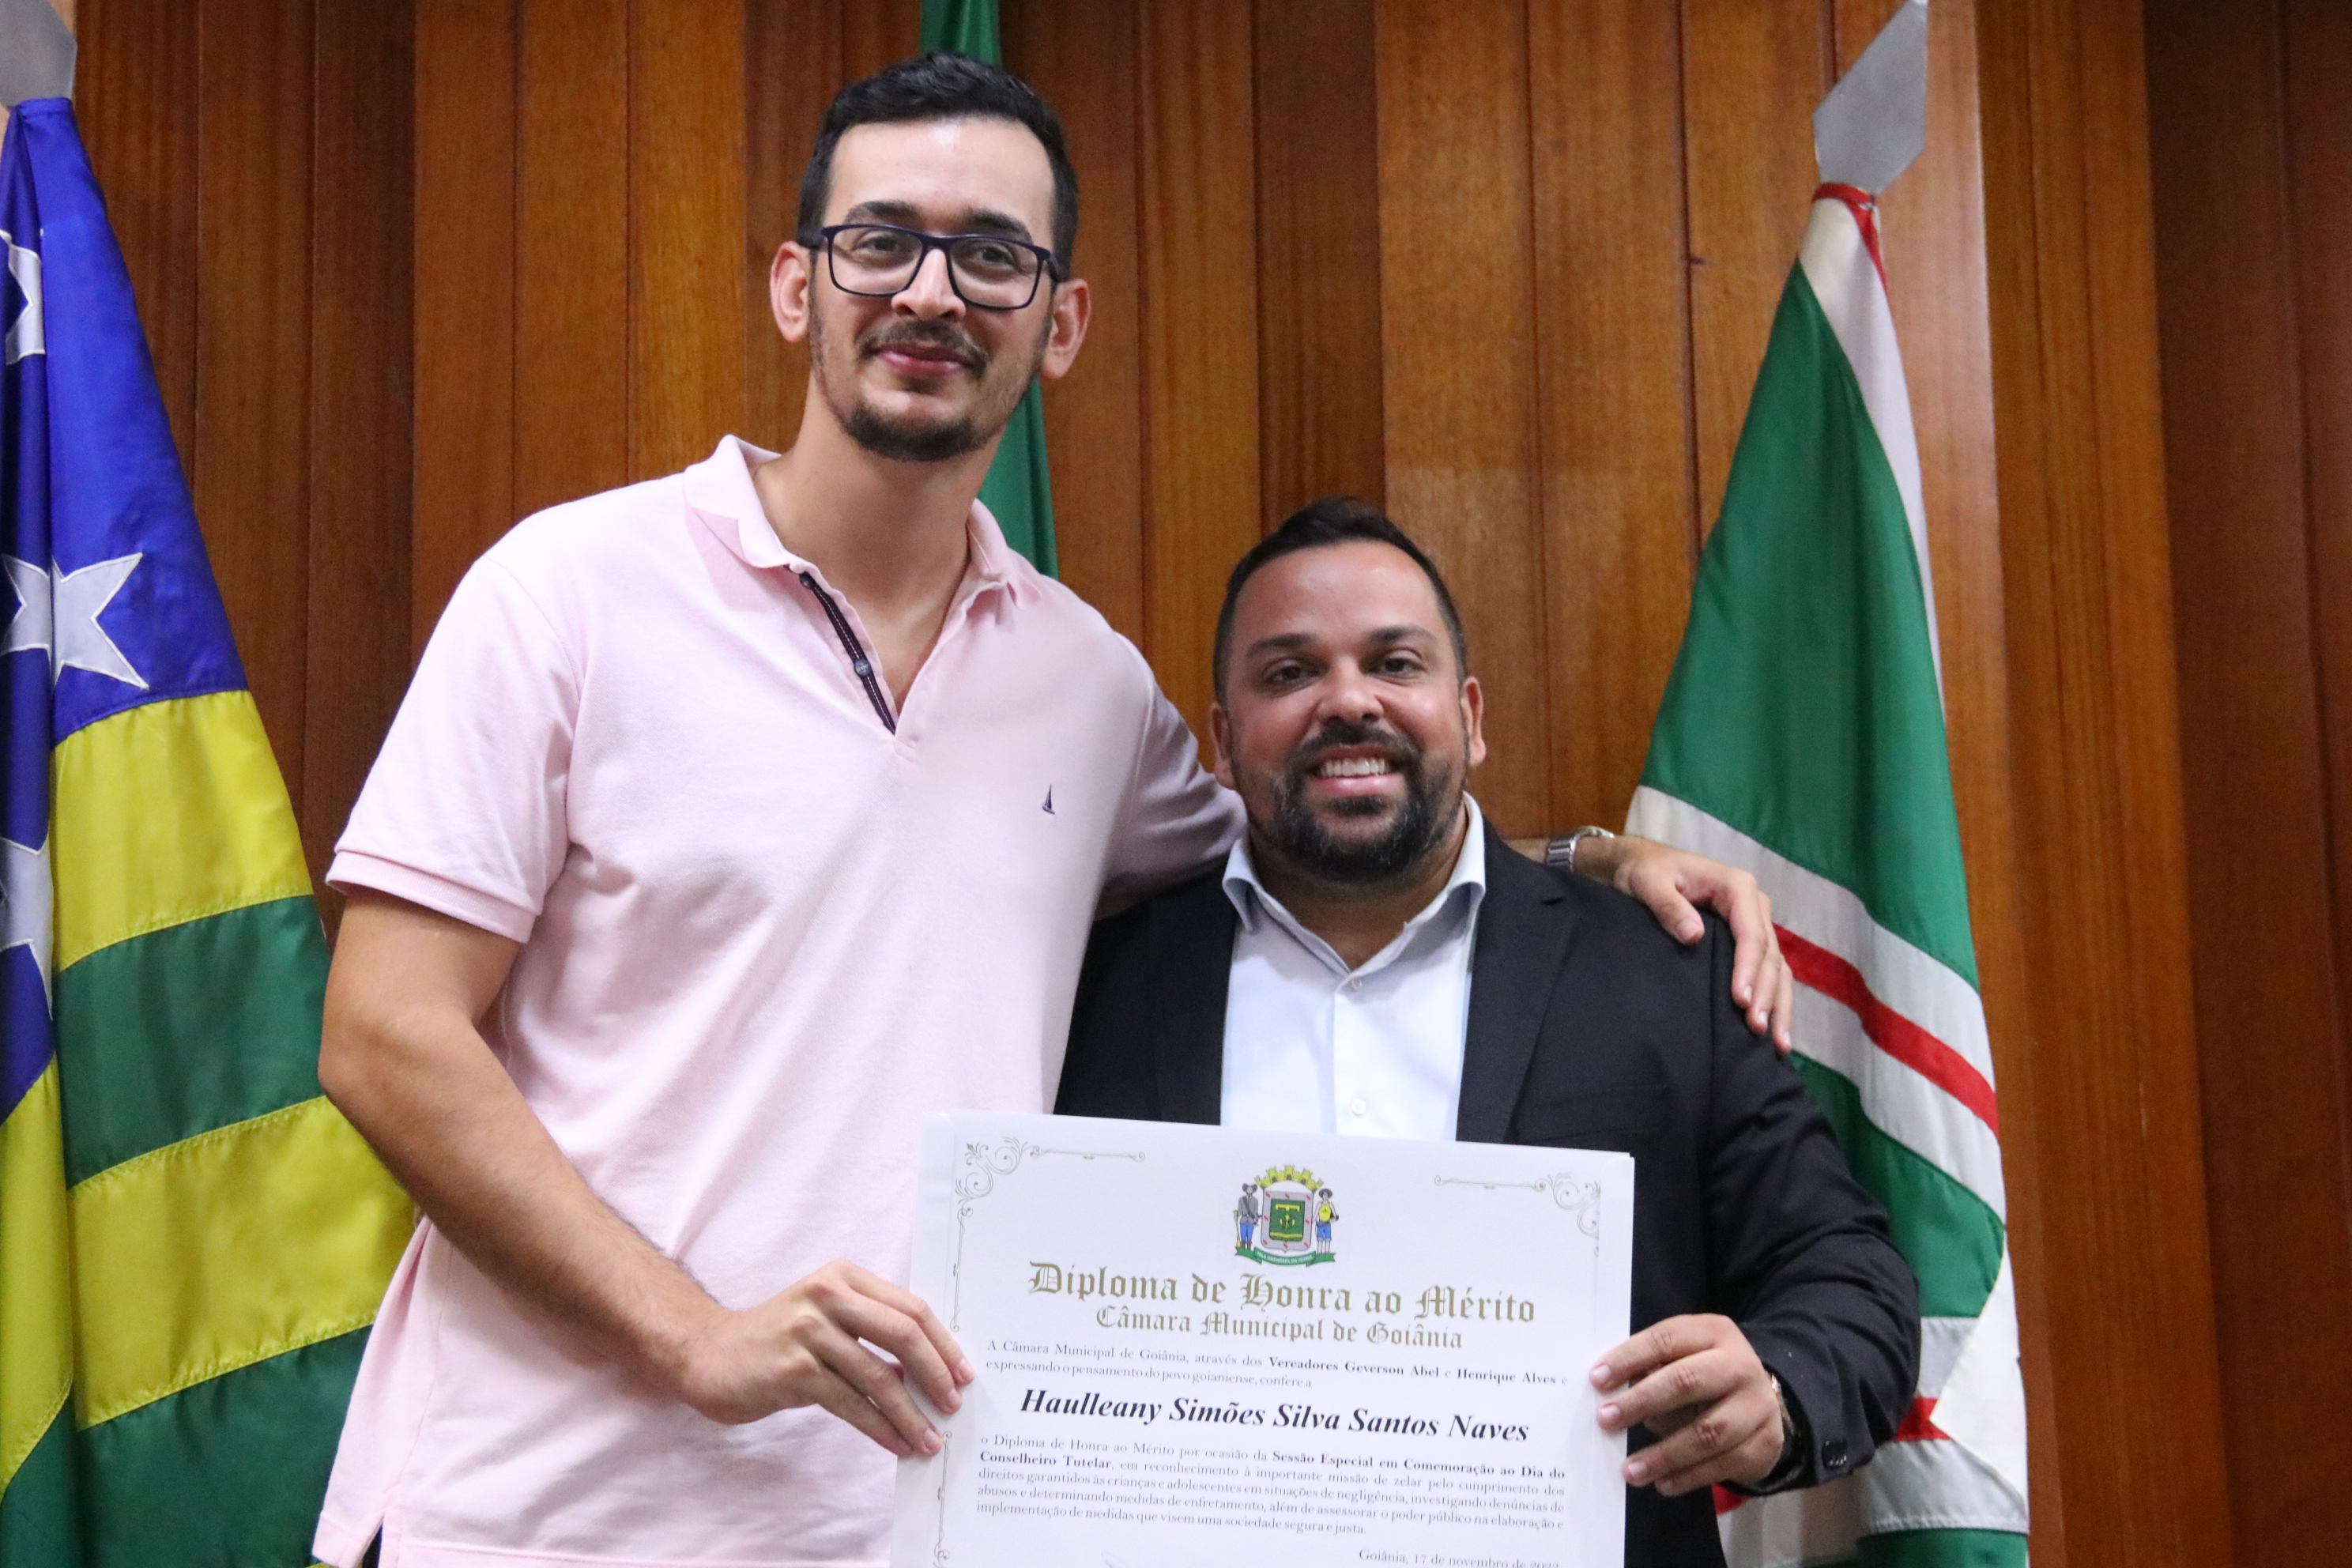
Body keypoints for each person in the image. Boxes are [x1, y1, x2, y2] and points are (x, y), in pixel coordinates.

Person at [312, 55, 1795, 1568]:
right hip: (537, 1513)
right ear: (796, 286)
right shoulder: (567, 593)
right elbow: (384, 1034)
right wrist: (696, 1335)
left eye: (992, 255)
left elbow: (1310, 853)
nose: (929, 292)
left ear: (1060, 321)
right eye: (880, 241)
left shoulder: (1088, 686)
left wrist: (1589, 858)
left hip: (906, 1523)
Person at [1056, 498, 1920, 1568]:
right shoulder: (1097, 987)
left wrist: (1778, 1386)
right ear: (1224, 743)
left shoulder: (1660, 973)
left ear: (1469, 716)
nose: (1348, 701)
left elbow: (1846, 1271)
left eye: (1395, 663)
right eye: (1289, 673)